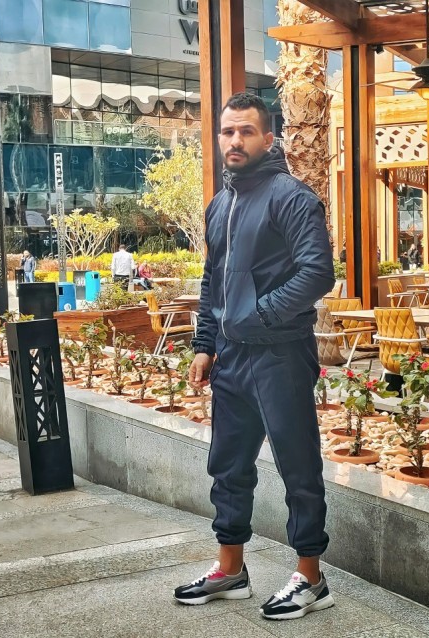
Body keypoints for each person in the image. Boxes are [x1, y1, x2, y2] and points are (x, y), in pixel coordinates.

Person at [174, 93, 335, 620]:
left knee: (297, 465)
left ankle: (311, 577)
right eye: (227, 132)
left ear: (269, 138)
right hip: (231, 359)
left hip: (281, 354)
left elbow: (317, 272)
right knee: (228, 465)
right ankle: (231, 569)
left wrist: (259, 315)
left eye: (246, 132)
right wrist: (204, 343)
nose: (235, 141)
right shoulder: (220, 204)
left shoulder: (293, 198)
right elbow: (212, 283)